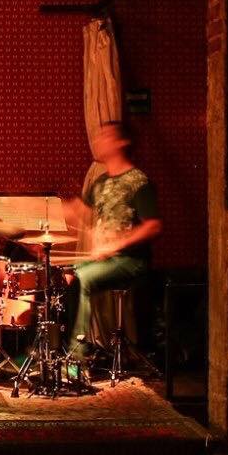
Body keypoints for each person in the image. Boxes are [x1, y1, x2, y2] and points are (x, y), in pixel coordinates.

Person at [66, 120, 162, 368]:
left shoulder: (138, 181)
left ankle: (76, 358)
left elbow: (153, 226)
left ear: (122, 142)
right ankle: (62, 352)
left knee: (82, 278)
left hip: (131, 260)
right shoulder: (100, 182)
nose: (98, 141)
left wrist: (115, 244)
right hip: (105, 259)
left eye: (105, 136)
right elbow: (82, 213)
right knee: (67, 275)